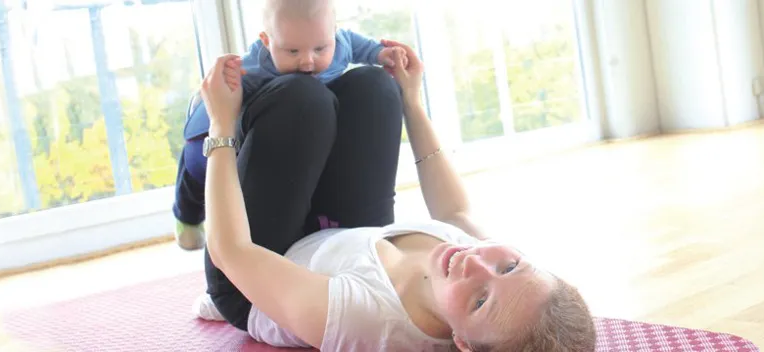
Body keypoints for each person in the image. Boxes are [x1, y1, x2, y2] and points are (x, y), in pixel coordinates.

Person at [195, 35, 598, 351]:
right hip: (336, 240)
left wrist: (221, 124)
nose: (476, 264)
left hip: (251, 275)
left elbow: (233, 253)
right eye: (509, 266)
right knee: (375, 87)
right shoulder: (475, 265)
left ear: (462, 343)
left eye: (479, 300)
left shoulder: (368, 321)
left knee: (301, 100)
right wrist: (412, 101)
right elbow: (455, 209)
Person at [171, 0, 408, 250]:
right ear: (267, 41)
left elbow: (361, 46)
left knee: (365, 85)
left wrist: (381, 54)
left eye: (320, 48)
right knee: (195, 169)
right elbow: (230, 104)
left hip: (307, 131)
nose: (307, 62)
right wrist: (225, 93)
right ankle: (186, 219)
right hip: (242, 133)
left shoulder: (341, 43)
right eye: (292, 51)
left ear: (334, 33)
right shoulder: (255, 65)